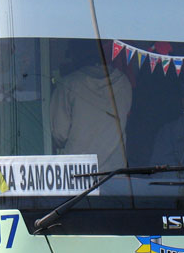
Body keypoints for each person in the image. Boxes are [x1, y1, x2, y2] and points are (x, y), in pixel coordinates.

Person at [50, 42, 132, 171]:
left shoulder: (69, 84)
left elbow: (59, 134)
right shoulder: (124, 82)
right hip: (115, 173)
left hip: (78, 174)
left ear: (75, 56)